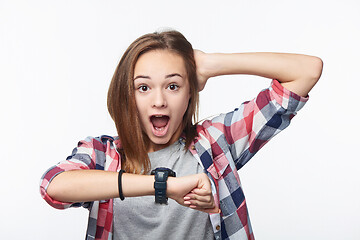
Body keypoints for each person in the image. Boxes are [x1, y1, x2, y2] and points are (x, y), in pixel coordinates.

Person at [40, 30, 323, 240]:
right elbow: (52, 186)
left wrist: (210, 64)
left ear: (190, 94)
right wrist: (162, 186)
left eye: (173, 86)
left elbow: (306, 72)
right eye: (143, 88)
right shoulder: (102, 156)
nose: (159, 101)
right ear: (127, 95)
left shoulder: (216, 142)